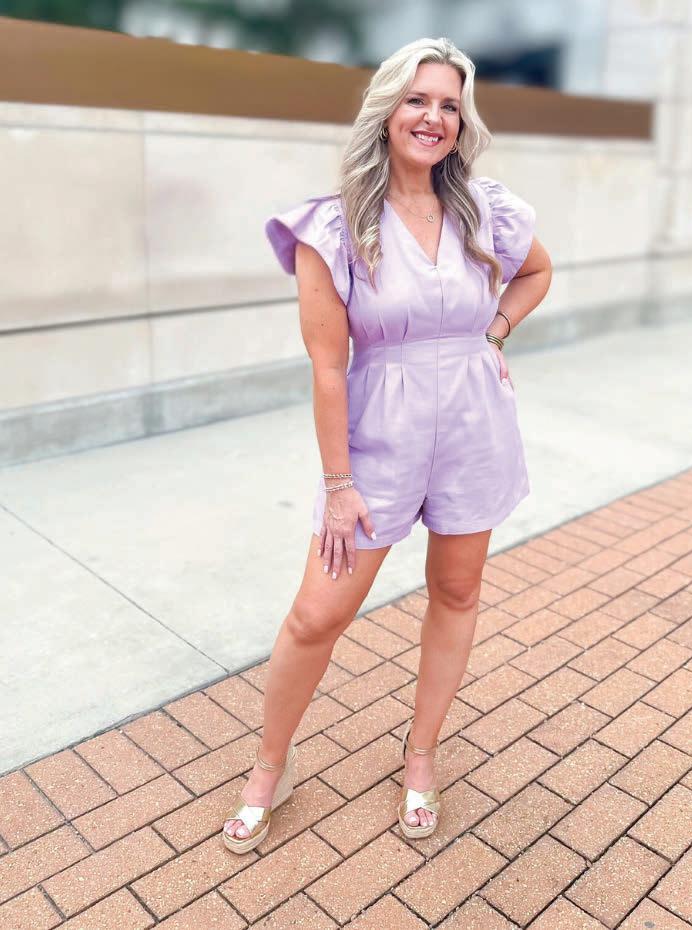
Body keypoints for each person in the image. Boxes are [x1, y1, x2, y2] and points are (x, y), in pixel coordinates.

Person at [221, 35, 552, 853]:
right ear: (386, 109)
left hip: (475, 424)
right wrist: (339, 484)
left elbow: (537, 272)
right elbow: (327, 366)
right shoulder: (333, 226)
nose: (433, 118)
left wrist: (495, 332)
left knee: (458, 592)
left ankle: (422, 752)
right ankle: (270, 765)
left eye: (449, 105)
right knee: (317, 614)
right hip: (378, 438)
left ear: (462, 122)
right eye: (417, 99)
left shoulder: (485, 209)